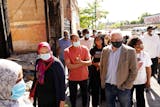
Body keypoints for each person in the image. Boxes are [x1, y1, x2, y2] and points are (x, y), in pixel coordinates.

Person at [100, 31, 138, 107]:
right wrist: (103, 81)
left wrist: (127, 85)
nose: (117, 41)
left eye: (119, 39)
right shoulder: (105, 50)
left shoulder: (130, 51)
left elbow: (134, 71)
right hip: (108, 86)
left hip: (123, 87)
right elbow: (102, 67)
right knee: (110, 105)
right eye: (114, 39)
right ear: (110, 39)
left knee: (125, 105)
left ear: (122, 39)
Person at [29, 42, 65, 107]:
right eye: (42, 53)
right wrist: (32, 93)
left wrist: (62, 100)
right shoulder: (38, 62)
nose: (44, 54)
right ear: (39, 53)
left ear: (50, 51)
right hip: (42, 96)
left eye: (47, 52)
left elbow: (62, 83)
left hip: (53, 97)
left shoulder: (56, 64)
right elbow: (36, 78)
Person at [64, 34, 92, 107]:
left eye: (77, 39)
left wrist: (81, 62)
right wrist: (82, 64)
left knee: (85, 95)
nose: (76, 41)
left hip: (84, 77)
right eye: (74, 40)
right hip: (72, 78)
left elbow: (89, 62)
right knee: (73, 96)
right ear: (71, 41)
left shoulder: (85, 49)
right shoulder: (67, 51)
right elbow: (69, 66)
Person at [128, 37, 152, 107]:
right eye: (139, 43)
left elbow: (148, 69)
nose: (142, 45)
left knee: (140, 99)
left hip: (141, 82)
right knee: (128, 100)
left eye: (142, 43)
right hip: (129, 82)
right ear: (134, 45)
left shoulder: (145, 54)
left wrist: (148, 81)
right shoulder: (128, 54)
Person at [89, 36, 105, 107]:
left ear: (102, 40)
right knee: (95, 88)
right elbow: (90, 61)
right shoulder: (92, 50)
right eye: (96, 40)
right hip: (94, 71)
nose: (98, 41)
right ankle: (95, 104)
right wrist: (96, 64)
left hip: (104, 71)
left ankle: (103, 101)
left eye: (99, 40)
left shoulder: (106, 49)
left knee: (103, 87)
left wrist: (100, 65)